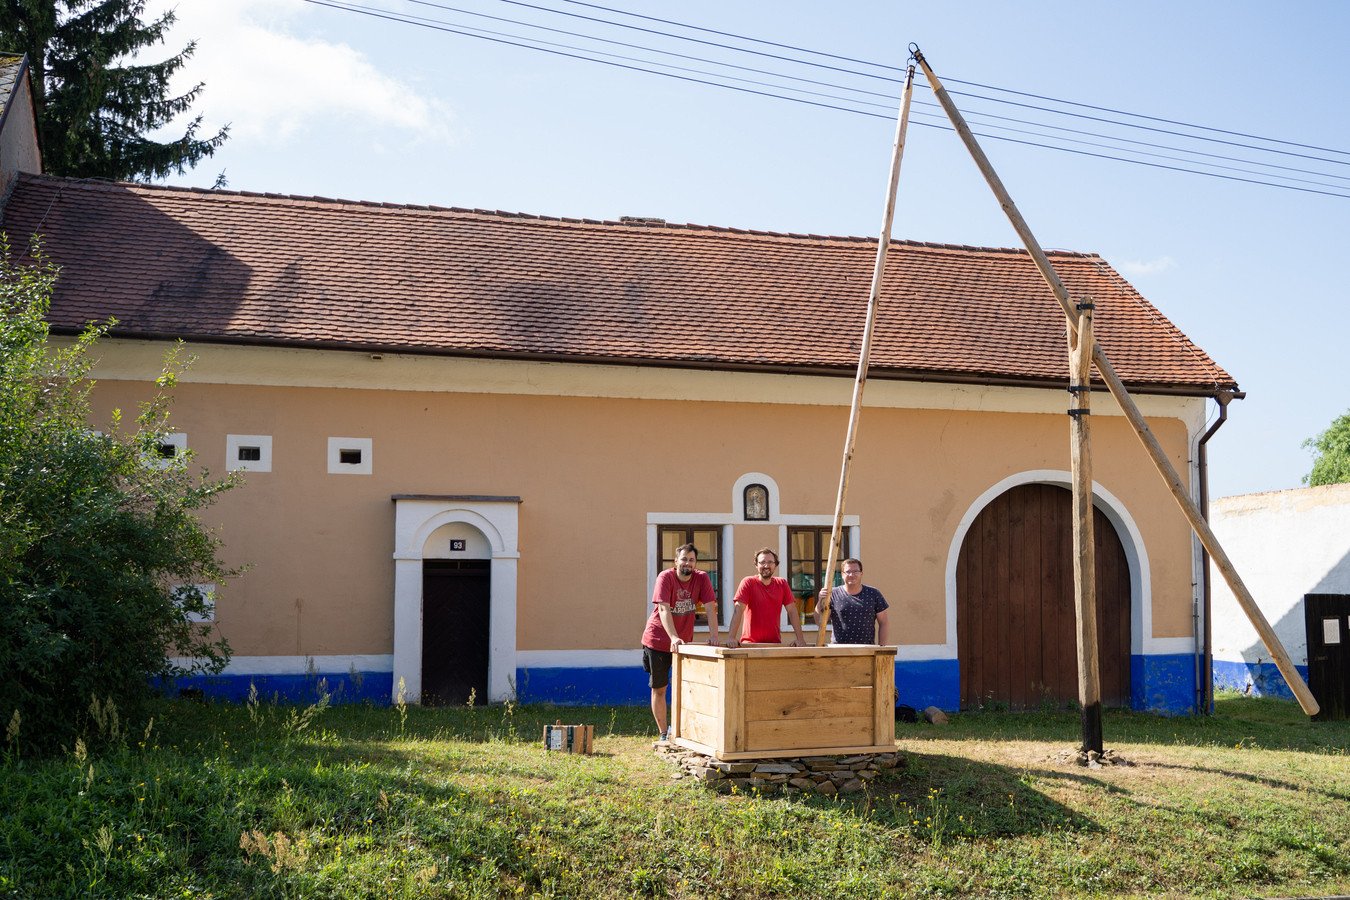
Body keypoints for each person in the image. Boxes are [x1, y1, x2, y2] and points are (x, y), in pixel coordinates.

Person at [640, 542, 719, 742]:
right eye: (684, 559)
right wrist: (673, 637)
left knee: (686, 687)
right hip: (658, 640)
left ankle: (683, 730)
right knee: (660, 688)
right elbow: (664, 609)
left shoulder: (702, 578)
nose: (688, 563)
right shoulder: (665, 577)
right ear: (676, 561)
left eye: (691, 560)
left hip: (685, 644)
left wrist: (715, 636)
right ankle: (663, 733)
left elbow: (710, 608)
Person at [727, 547, 806, 647]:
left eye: (770, 562)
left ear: (775, 565)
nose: (766, 565)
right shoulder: (748, 582)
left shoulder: (781, 584)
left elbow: (792, 611)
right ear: (756, 565)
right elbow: (738, 610)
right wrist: (731, 637)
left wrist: (800, 639)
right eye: (762, 562)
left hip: (774, 645)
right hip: (750, 645)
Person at [817, 557, 890, 645]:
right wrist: (820, 600)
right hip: (839, 650)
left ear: (861, 573)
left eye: (855, 571)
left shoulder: (873, 594)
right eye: (848, 572)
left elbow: (884, 623)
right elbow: (819, 621)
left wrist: (882, 648)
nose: (851, 575)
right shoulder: (833, 594)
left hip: (866, 650)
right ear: (842, 574)